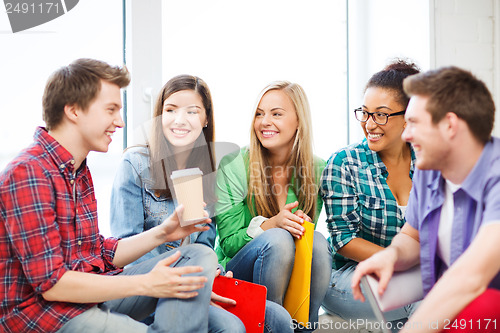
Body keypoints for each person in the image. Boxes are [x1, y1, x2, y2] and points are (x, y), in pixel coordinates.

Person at [0, 59, 218, 333]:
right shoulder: (29, 173)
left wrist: (164, 232)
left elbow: (98, 252)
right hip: (46, 315)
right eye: (111, 110)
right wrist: (148, 282)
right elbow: (53, 284)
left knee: (197, 256)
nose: (120, 121)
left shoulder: (77, 170)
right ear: (74, 110)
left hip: (87, 297)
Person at [110, 74, 291, 333]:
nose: (180, 119)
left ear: (205, 119)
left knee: (278, 319)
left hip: (196, 280)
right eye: (170, 110)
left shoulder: (208, 171)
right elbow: (127, 249)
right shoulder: (135, 164)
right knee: (231, 327)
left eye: (192, 112)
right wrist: (194, 283)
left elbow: (205, 245)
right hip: (151, 285)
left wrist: (213, 274)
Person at [351, 66, 500, 333]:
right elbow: (413, 236)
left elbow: (472, 277)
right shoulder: (429, 171)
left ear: (450, 125)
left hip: (482, 310)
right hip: (461, 311)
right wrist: (392, 255)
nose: (406, 135)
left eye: (415, 123)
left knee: (486, 304)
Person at [215, 81, 332, 331]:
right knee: (278, 239)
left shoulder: (317, 169)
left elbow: (306, 248)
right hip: (236, 273)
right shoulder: (234, 164)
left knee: (319, 243)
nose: (264, 121)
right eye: (259, 114)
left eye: (276, 114)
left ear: (299, 120)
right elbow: (227, 244)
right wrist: (270, 225)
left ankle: (304, 328)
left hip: (287, 272)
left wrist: (302, 225)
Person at [321, 60, 420, 322]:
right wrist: (401, 262)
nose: (369, 124)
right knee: (426, 297)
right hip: (350, 278)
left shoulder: (427, 161)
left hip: (415, 272)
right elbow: (343, 240)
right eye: (364, 112)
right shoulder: (344, 162)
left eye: (381, 114)